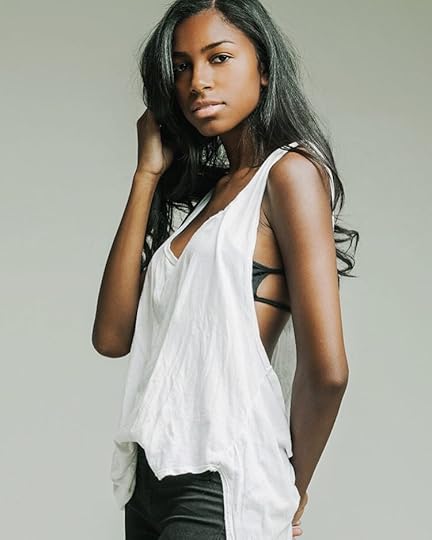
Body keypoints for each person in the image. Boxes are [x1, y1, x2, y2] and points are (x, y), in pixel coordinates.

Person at [92, 1, 359, 538]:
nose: (197, 82)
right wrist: (146, 174)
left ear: (264, 69)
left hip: (219, 484)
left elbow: (328, 372)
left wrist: (293, 487)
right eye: (182, 66)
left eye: (219, 58)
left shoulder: (290, 174)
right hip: (149, 482)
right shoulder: (207, 197)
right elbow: (112, 337)